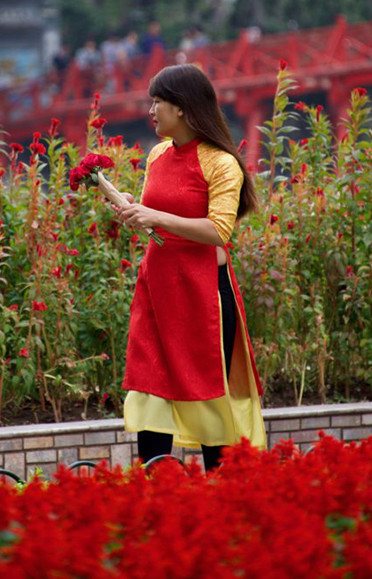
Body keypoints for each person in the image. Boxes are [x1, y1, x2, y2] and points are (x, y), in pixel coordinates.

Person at [116, 64, 266, 471]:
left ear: (181, 108)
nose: (150, 110)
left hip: (203, 297)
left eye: (158, 102)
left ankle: (218, 499)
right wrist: (135, 210)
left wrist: (155, 217)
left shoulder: (221, 164)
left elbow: (219, 231)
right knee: (150, 388)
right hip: (157, 289)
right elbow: (156, 214)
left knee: (207, 395)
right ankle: (158, 488)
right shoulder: (158, 154)